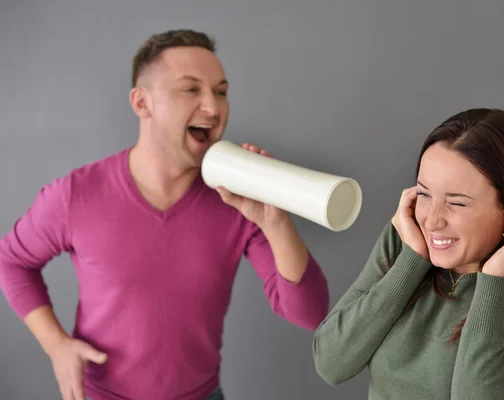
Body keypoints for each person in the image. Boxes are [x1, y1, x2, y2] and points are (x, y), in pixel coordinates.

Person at [0, 29, 330, 400]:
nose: (214, 106)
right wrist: (56, 346)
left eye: (220, 91)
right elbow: (11, 260)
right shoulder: (76, 194)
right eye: (191, 89)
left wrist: (274, 220)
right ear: (143, 103)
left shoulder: (237, 203)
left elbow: (310, 312)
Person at [312, 108, 504, 399]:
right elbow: (331, 363)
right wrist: (412, 261)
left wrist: (494, 284)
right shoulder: (407, 236)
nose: (432, 220)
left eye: (457, 203)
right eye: (425, 194)